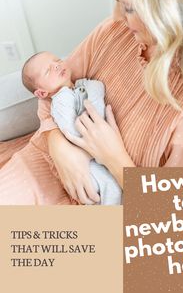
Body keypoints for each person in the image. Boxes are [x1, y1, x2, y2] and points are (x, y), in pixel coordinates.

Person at [0, 0, 183, 205]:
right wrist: (59, 145)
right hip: (43, 165)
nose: (115, 16)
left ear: (174, 12)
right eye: (116, 1)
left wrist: (115, 160)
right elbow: (49, 90)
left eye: (130, 8)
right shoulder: (113, 32)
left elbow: (180, 224)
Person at [21, 51, 122, 205]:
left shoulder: (80, 87)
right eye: (48, 70)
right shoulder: (60, 101)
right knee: (109, 187)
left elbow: (98, 90)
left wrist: (87, 89)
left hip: (99, 151)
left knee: (112, 185)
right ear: (42, 93)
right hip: (86, 160)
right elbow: (73, 131)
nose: (57, 65)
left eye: (57, 60)